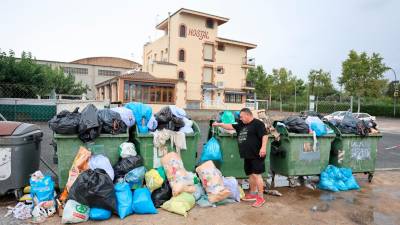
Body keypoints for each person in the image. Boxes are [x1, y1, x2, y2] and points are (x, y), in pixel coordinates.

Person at [213, 108, 268, 207]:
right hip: (247, 155)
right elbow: (230, 126)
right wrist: (219, 124)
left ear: (248, 115)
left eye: (242, 117)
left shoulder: (258, 124)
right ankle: (252, 194)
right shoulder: (241, 124)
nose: (240, 118)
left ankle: (260, 198)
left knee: (256, 175)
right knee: (250, 174)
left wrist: (263, 148)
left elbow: (265, 135)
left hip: (257, 154)